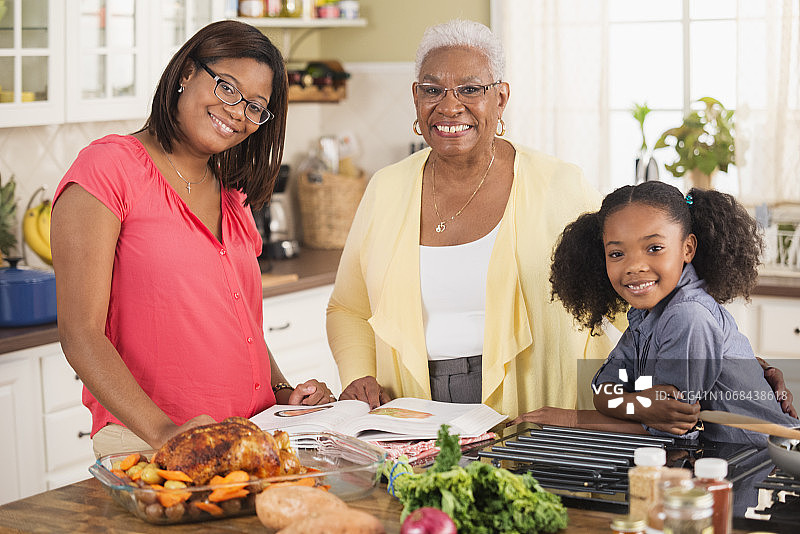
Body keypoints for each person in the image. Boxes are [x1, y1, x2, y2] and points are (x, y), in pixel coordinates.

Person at [51, 20, 334, 458]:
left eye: (255, 107)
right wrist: (167, 433)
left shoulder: (232, 193)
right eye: (227, 87)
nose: (237, 112)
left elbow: (242, 327)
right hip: (149, 444)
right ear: (186, 72)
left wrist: (283, 392)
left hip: (249, 437)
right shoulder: (109, 169)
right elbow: (80, 334)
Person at [326, 19, 620, 418]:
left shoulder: (561, 185)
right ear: (416, 97)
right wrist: (358, 375)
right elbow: (347, 308)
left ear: (501, 98)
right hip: (412, 410)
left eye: (470, 89)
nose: (449, 107)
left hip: (540, 405)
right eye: (432, 90)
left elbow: (629, 299)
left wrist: (649, 401)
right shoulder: (385, 188)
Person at [541, 181, 797, 444]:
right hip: (729, 458)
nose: (634, 266)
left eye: (654, 248)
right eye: (617, 253)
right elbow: (605, 391)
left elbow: (672, 430)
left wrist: (571, 419)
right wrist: (637, 404)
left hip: (769, 459)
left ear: (688, 249)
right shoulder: (647, 313)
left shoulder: (688, 316)